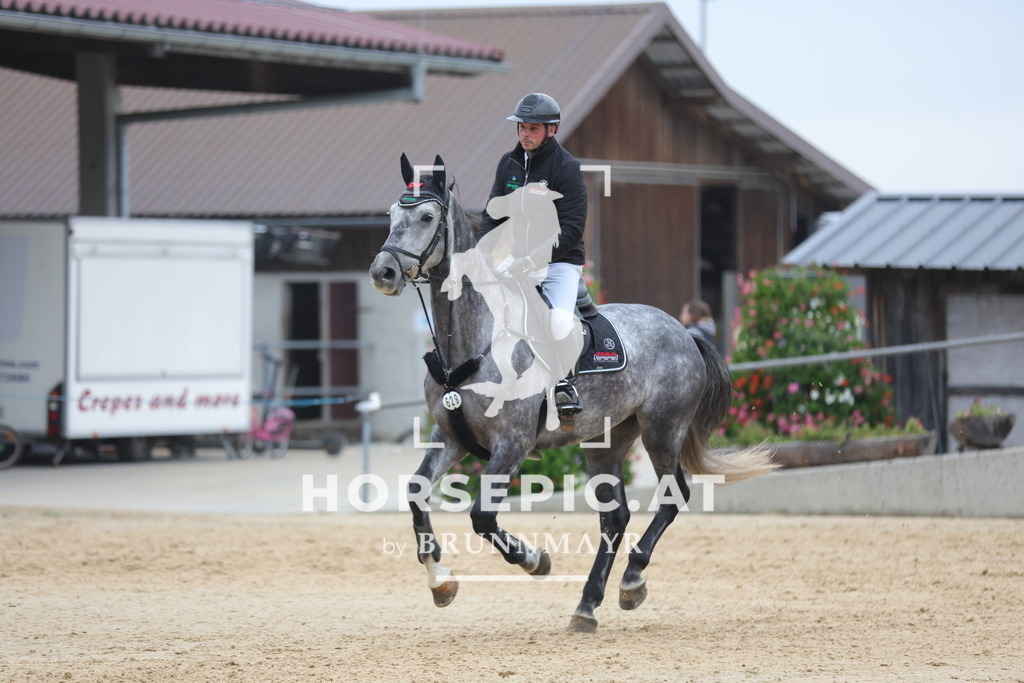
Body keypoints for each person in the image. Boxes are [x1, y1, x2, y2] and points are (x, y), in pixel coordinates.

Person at [477, 93, 589, 418]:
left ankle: (565, 385)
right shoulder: (508, 164)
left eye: (533, 129)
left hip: (558, 264)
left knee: (558, 322)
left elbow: (572, 228)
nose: (525, 134)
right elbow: (492, 214)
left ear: (551, 130)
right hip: (516, 262)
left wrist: (532, 260)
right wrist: (483, 253)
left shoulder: (567, 168)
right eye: (522, 127)